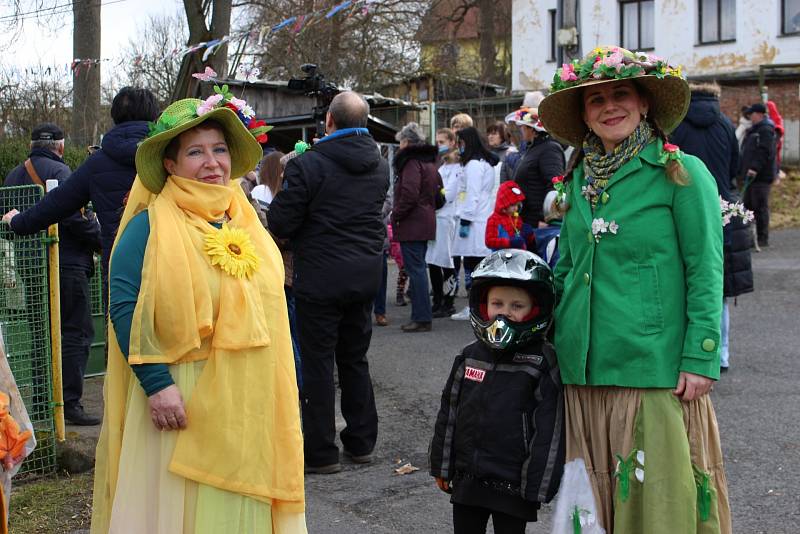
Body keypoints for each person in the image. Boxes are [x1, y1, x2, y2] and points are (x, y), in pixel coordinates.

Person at [90, 91, 305, 533]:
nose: (212, 163)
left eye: (220, 149)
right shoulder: (149, 226)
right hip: (181, 397)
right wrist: (157, 385)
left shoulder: (241, 221)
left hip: (247, 402)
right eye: (196, 152)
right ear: (169, 164)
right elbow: (123, 304)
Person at [539, 47, 730, 533]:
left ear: (644, 103)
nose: (609, 106)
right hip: (583, 375)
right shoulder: (578, 178)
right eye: (595, 99)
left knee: (655, 502)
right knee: (591, 503)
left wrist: (701, 356)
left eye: (620, 93)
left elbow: (705, 270)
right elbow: (568, 268)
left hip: (651, 370)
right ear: (584, 115)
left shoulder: (681, 173)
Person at [268, 91, 387, 474]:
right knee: (355, 357)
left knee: (319, 363)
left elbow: (282, 222)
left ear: (329, 123)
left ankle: (320, 452)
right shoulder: (379, 163)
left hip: (320, 276)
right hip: (366, 273)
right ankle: (361, 442)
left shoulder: (308, 165)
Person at [430, 249, 564, 534]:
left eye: (517, 305)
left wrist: (539, 484)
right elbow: (449, 413)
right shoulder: (469, 357)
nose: (504, 312)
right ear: (484, 305)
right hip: (468, 479)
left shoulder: (541, 362)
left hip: (514, 486)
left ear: (535, 309)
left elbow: (549, 431)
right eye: (497, 303)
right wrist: (442, 465)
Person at [2, 87, 159, 312]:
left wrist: (18, 221)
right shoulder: (170, 155)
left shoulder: (98, 163)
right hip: (170, 262)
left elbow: (55, 204)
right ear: (155, 116)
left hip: (120, 270)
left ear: (114, 117)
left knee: (123, 340)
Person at [2, 123, 102, 426]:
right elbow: (74, 219)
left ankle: (45, 404)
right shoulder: (61, 174)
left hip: (29, 266)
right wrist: (103, 239)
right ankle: (69, 404)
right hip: (65, 264)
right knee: (75, 332)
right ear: (59, 146)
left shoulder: (13, 176)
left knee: (41, 334)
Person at [671, 83, 753, 372]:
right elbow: (735, 168)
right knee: (715, 286)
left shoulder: (676, 126)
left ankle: (688, 351)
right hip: (722, 208)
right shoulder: (726, 124)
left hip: (684, 207)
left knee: (686, 282)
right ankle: (721, 355)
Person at [391, 122, 441, 333]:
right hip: (425, 219)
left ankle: (421, 317)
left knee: (416, 270)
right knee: (419, 268)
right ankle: (422, 315)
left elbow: (409, 194)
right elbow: (439, 193)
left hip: (413, 222)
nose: (400, 146)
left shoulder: (411, 163)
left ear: (407, 141)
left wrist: (396, 215)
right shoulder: (429, 162)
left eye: (401, 141)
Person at [450, 127, 498, 320]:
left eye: (460, 143)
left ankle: (475, 307)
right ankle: (478, 306)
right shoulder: (481, 163)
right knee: (476, 263)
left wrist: (466, 218)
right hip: (478, 218)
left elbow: (473, 194)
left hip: (474, 221)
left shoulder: (474, 165)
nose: (458, 146)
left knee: (474, 264)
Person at [507, 107, 565, 228]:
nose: (520, 129)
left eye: (523, 126)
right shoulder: (532, 148)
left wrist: (546, 218)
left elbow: (555, 185)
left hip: (540, 223)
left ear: (532, 129)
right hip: (527, 220)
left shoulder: (549, 148)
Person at [428, 128, 461, 318]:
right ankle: (437, 300)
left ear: (452, 143)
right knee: (432, 261)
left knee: (446, 261)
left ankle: (449, 301)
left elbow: (447, 195)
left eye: (442, 142)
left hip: (447, 218)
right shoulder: (440, 167)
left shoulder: (458, 169)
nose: (439, 145)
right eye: (437, 142)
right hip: (434, 217)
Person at [739, 102, 777, 248]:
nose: (750, 116)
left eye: (752, 114)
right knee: (748, 205)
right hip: (751, 176)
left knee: (760, 206)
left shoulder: (765, 130)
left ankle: (762, 237)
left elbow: (764, 151)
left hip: (761, 176)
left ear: (759, 114)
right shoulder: (754, 130)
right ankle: (750, 238)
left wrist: (754, 167)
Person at [484, 181, 535, 251]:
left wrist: (529, 236)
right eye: (512, 205)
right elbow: (489, 241)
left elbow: (520, 236)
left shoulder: (516, 218)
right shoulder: (493, 220)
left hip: (518, 255)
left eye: (517, 205)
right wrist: (509, 242)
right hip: (501, 257)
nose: (516, 208)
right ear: (503, 203)